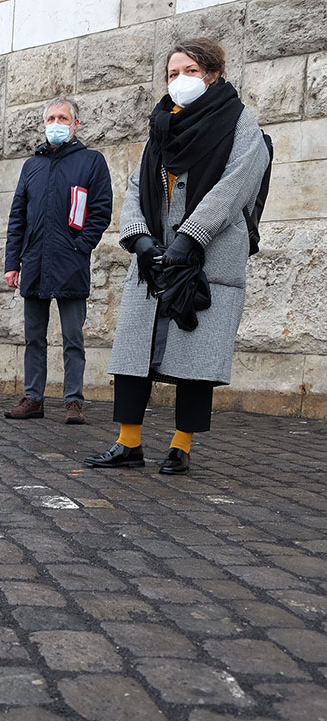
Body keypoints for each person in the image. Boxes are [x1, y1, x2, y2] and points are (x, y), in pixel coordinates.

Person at [86, 38, 270, 475]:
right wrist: (139, 239)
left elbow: (233, 187)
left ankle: (180, 445)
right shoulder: (162, 126)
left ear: (212, 74)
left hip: (208, 255)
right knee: (134, 353)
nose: (179, 81)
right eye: (172, 74)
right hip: (155, 256)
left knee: (195, 356)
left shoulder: (241, 125)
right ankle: (128, 444)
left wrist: (191, 237)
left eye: (188, 71)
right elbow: (136, 186)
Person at [3, 96, 113, 424]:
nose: (56, 124)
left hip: (71, 263)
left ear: (75, 124)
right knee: (34, 337)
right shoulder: (32, 165)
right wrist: (13, 263)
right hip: (35, 262)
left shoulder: (91, 162)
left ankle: (73, 401)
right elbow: (17, 217)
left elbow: (101, 210)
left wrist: (81, 247)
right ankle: (33, 398)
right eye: (51, 118)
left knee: (72, 338)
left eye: (62, 118)